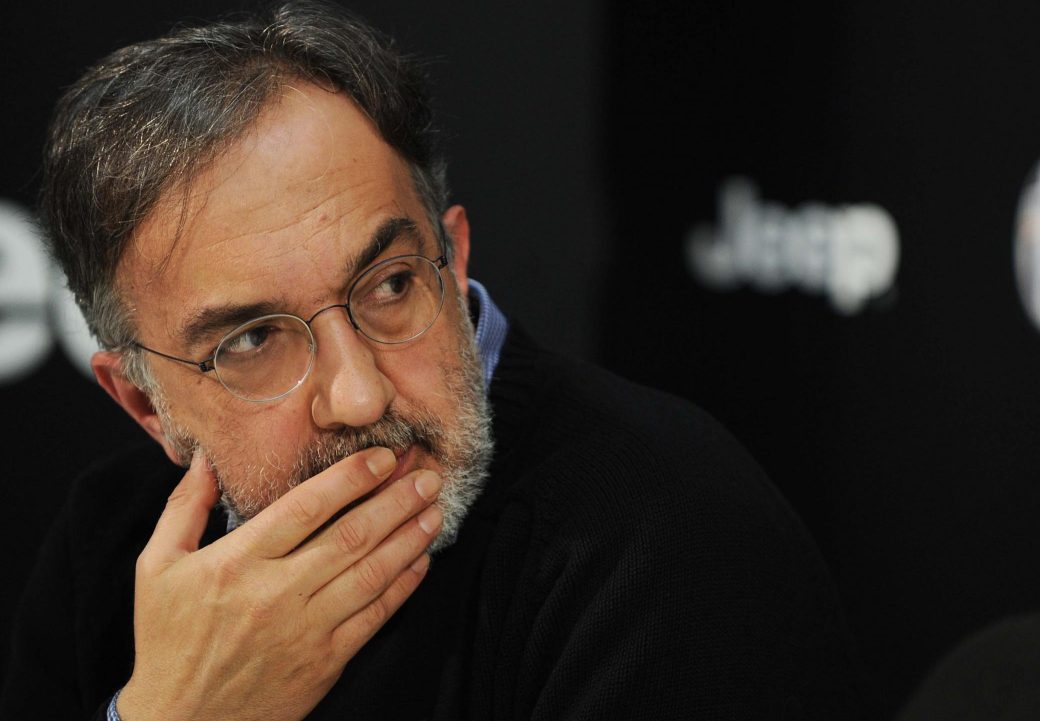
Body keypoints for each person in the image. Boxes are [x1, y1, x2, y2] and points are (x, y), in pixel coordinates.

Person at [1, 2, 862, 719]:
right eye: (253, 340)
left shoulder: (664, 539)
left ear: (453, 258)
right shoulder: (108, 546)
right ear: (145, 404)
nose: (359, 393)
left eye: (389, 285)